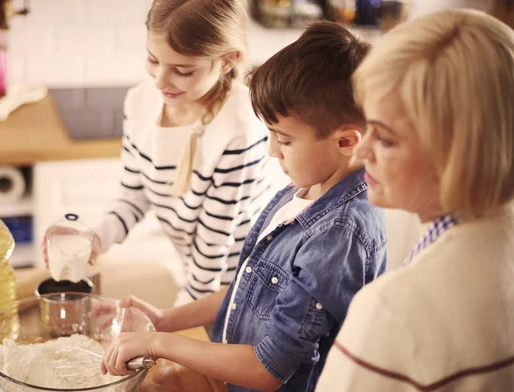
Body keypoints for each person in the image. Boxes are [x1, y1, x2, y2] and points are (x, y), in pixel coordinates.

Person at [98, 22, 388, 391]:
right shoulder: (306, 189)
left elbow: (269, 369)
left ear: (346, 141)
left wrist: (160, 343)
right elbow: (250, 290)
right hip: (231, 375)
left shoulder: (338, 236)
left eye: (283, 140)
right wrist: (166, 320)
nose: (271, 150)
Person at [316, 9, 514, 391]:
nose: (360, 154)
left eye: (386, 139)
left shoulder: (394, 312)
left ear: (461, 153)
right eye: (367, 125)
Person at [43, 0, 274, 305]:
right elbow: (133, 196)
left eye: (182, 70)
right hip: (196, 277)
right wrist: (95, 236)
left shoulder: (241, 128)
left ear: (228, 60)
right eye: (153, 60)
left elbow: (212, 252)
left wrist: (171, 323)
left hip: (244, 289)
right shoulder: (141, 103)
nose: (160, 80)